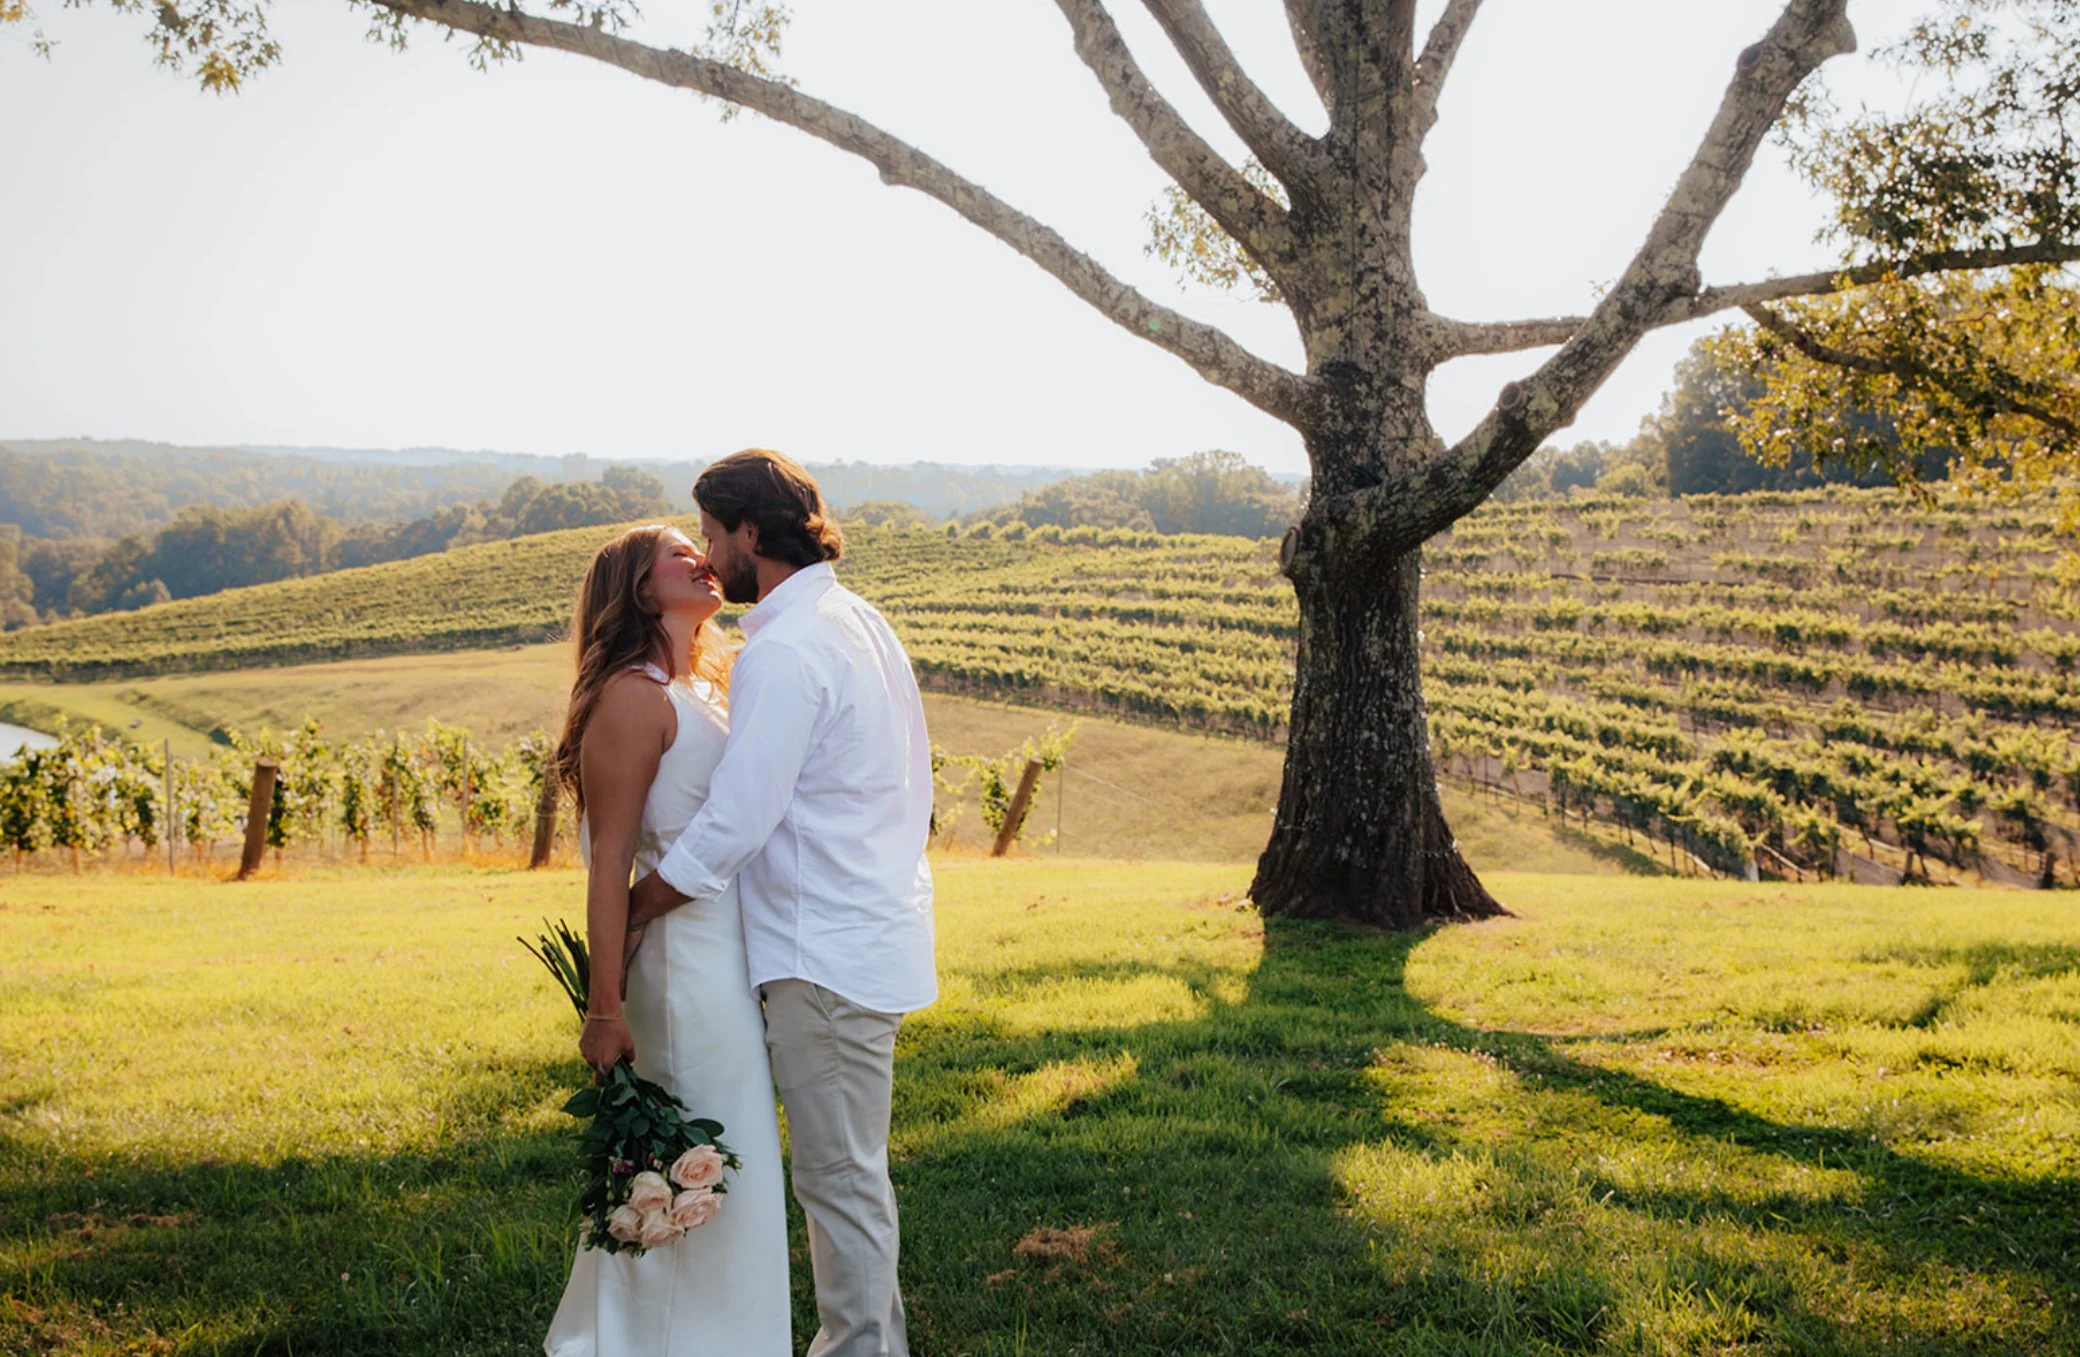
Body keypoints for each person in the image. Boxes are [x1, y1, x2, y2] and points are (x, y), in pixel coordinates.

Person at [627, 448, 938, 1357]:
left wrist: (638, 904)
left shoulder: (786, 651)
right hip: (867, 931)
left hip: (824, 952)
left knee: (840, 1181)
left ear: (751, 534)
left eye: (716, 534)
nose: (709, 554)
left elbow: (738, 818)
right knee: (853, 1176)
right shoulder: (859, 620)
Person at [542, 523, 791, 1357]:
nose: (703, 561)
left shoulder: (704, 687)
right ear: (642, 590)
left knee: (737, 1162)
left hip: (727, 960)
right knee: (697, 1159)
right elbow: (611, 859)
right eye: (679, 556)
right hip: (681, 975)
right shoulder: (631, 694)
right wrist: (603, 1008)